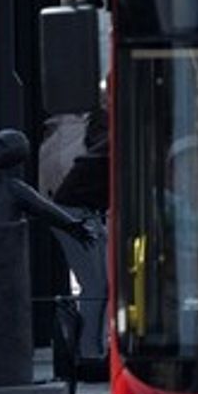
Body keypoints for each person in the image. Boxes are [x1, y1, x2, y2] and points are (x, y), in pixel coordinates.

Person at [51, 106, 110, 372]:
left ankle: (90, 348)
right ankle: (88, 352)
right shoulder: (112, 151)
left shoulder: (102, 152)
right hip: (76, 217)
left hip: (79, 215)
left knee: (98, 287)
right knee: (96, 287)